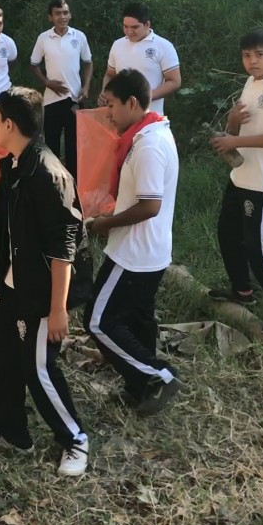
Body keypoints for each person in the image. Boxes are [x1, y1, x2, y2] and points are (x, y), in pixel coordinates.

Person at [0, 87, 90, 477]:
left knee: (38, 368)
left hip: (42, 292)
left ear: (10, 124)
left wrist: (58, 308)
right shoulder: (15, 164)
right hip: (12, 286)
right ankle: (13, 435)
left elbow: (64, 245)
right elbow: (11, 230)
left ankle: (76, 438)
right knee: (0, 357)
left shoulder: (47, 174)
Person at [85, 69, 182, 415]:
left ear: (132, 102)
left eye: (111, 104)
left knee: (98, 320)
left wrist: (104, 224)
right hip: (148, 250)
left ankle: (158, 375)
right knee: (139, 320)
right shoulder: (149, 133)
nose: (108, 112)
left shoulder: (149, 145)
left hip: (133, 252)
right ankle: (140, 389)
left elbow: (150, 205)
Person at [208, 27, 263, 334]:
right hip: (242, 175)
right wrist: (231, 126)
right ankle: (242, 291)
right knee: (227, 232)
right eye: (247, 55)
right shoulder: (251, 82)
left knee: (255, 244)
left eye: (259, 54)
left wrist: (233, 143)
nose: (252, 61)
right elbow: (241, 128)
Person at [30, 0, 93, 179]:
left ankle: (74, 187)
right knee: (52, 146)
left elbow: (88, 62)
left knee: (75, 147)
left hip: (74, 99)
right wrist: (46, 82)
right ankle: (54, 184)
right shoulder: (44, 38)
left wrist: (86, 87)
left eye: (65, 12)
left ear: (70, 14)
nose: (62, 17)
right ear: (50, 17)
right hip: (52, 99)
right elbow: (33, 64)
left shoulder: (79, 36)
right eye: (58, 13)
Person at [98, 2, 180, 116]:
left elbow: (175, 81)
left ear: (147, 24)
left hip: (151, 117)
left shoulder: (163, 46)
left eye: (135, 27)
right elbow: (109, 75)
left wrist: (146, 97)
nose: (129, 32)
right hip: (120, 119)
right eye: (125, 26)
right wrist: (105, 92)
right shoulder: (117, 45)